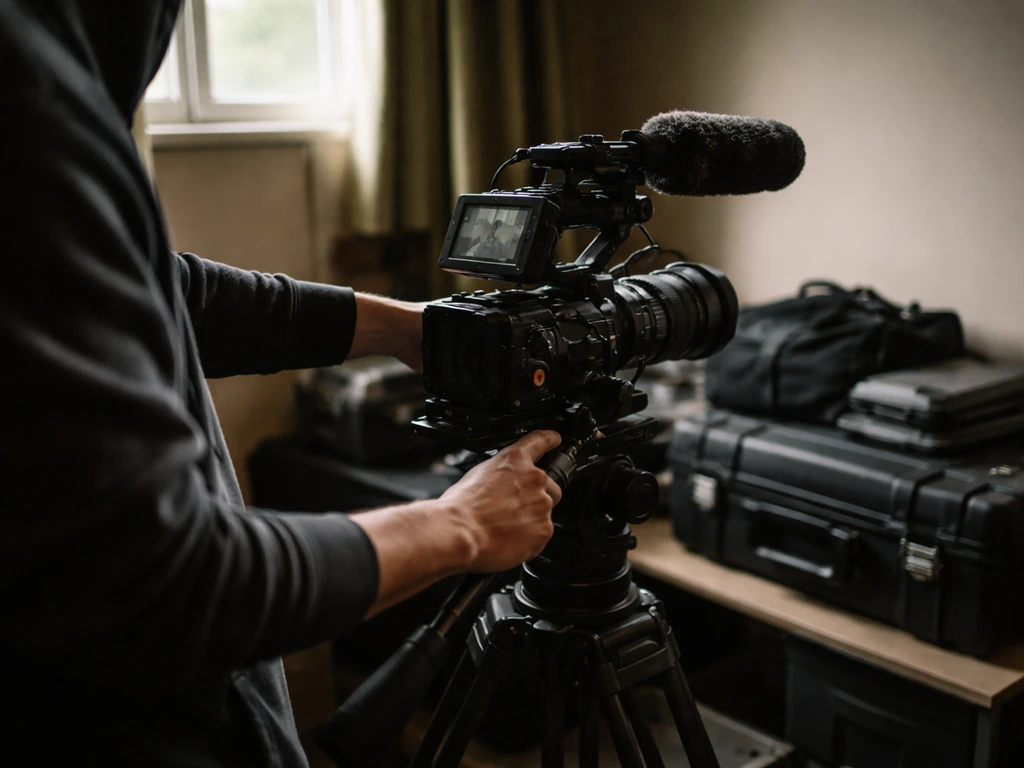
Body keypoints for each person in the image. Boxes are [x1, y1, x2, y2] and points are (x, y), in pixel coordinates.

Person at [0, 2, 562, 766]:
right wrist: (457, 526)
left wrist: (404, 326)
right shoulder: (30, 96)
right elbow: (169, 584)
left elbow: (160, 290)